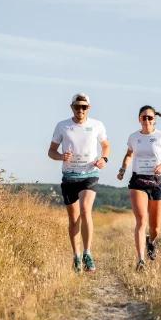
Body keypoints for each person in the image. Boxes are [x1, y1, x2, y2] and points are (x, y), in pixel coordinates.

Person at [48, 93, 110, 273]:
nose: (80, 110)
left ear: (88, 108)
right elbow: (51, 151)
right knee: (74, 219)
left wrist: (104, 159)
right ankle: (76, 256)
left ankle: (87, 253)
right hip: (69, 177)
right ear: (71, 107)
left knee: (85, 211)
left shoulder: (97, 125)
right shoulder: (62, 126)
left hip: (90, 174)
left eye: (84, 107)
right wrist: (61, 156)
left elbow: (106, 146)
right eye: (77, 107)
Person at [117, 105, 161, 271]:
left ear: (155, 120)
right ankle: (140, 261)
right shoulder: (133, 137)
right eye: (143, 117)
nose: (146, 120)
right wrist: (123, 169)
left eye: (149, 117)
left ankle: (150, 242)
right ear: (139, 119)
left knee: (155, 228)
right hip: (138, 181)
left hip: (157, 182)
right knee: (141, 219)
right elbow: (129, 154)